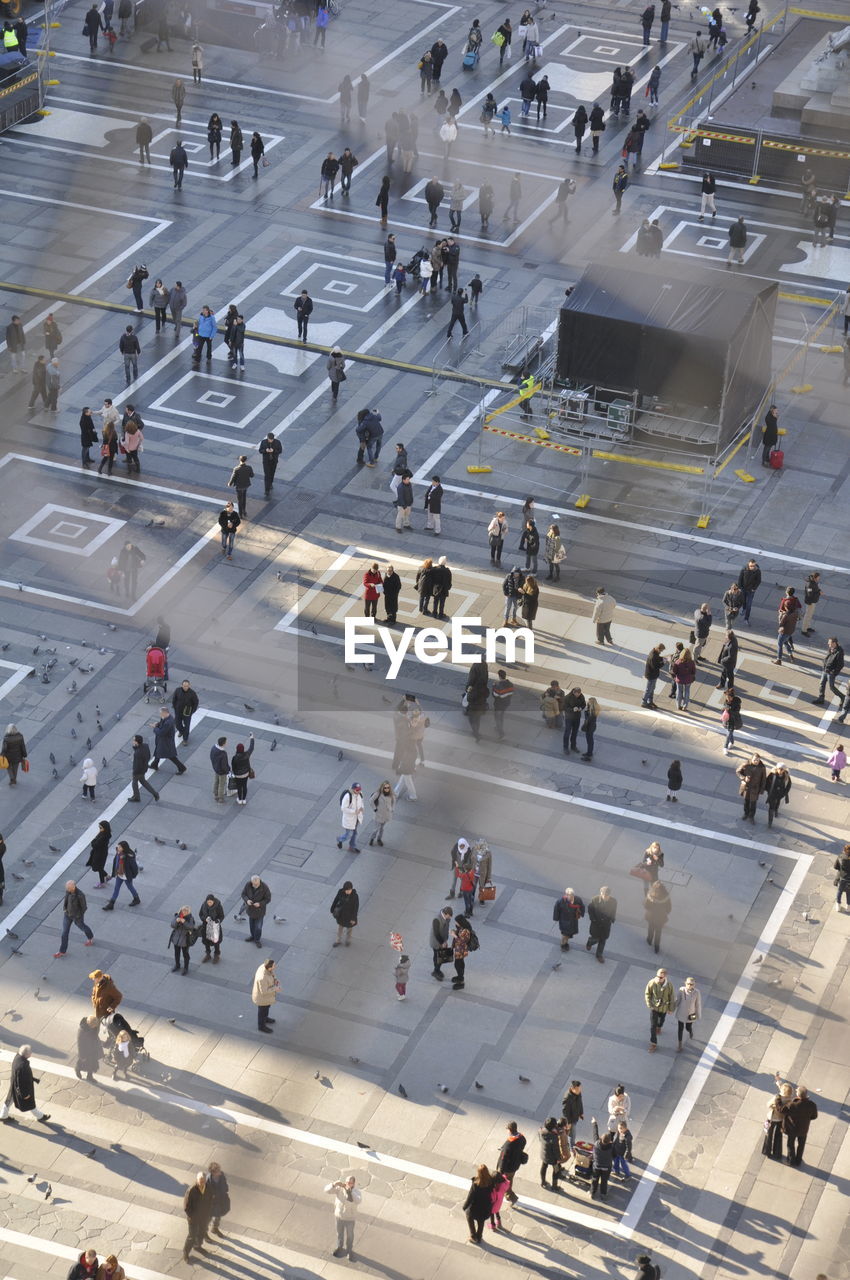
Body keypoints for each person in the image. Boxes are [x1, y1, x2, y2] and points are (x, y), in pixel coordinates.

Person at [0, 1044, 50, 1123]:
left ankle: (3, 1115)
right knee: (30, 1103)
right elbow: (21, 1082)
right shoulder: (23, 1066)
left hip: (14, 1084)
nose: (31, 1053)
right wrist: (25, 1094)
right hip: (23, 1089)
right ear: (27, 1055)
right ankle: (40, 1116)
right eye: (30, 1052)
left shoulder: (17, 1057)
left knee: (10, 1100)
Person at [54, 880, 94, 957]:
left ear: (73, 887)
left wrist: (78, 916)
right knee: (64, 932)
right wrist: (65, 909)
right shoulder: (68, 891)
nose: (66, 889)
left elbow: (84, 907)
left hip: (77, 916)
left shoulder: (80, 895)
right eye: (66, 888)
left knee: (83, 927)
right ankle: (62, 951)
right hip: (67, 914)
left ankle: (90, 937)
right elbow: (66, 900)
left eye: (68, 888)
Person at [325, 1174, 361, 1260]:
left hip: (350, 1218)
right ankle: (339, 1247)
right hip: (339, 1216)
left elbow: (358, 1200)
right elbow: (326, 1190)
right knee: (339, 1234)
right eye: (347, 1182)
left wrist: (350, 1191)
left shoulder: (356, 1192)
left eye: (350, 1183)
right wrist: (333, 1184)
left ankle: (349, 1251)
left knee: (350, 1236)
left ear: (353, 1184)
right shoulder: (339, 1189)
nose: (348, 1184)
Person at [182, 1172, 213, 1262]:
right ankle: (186, 1252)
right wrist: (193, 1217)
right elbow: (186, 1207)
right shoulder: (191, 1190)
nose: (202, 1183)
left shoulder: (208, 1187)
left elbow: (210, 1200)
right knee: (192, 1236)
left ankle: (197, 1246)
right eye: (200, 1181)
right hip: (194, 1219)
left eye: (204, 1181)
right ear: (197, 1180)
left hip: (204, 1217)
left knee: (202, 1233)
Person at [102, 841, 140, 910]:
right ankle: (111, 904)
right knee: (116, 889)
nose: (118, 848)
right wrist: (115, 872)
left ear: (124, 848)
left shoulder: (129, 857)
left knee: (130, 887)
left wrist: (133, 876)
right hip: (119, 874)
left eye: (119, 847)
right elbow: (115, 863)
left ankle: (136, 899)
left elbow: (134, 867)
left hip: (126, 876)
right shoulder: (118, 853)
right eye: (118, 846)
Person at [786, 1085, 818, 1166]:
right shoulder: (812, 1105)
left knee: (790, 1144)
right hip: (803, 1129)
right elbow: (814, 1116)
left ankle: (791, 1160)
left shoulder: (793, 1104)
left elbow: (784, 1110)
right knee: (801, 1145)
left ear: (798, 1095)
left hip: (792, 1128)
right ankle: (798, 1160)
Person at [645, 966, 675, 1052]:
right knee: (652, 1026)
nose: (658, 978)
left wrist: (670, 1009)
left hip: (664, 1008)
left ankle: (660, 1026)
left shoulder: (669, 985)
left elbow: (672, 997)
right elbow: (647, 994)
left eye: (661, 977)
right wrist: (649, 1004)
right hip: (654, 1008)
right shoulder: (652, 983)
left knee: (661, 1021)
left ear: (665, 977)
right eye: (657, 976)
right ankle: (653, 1043)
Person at [496, 1121, 526, 1203]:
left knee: (505, 1181)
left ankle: (511, 1196)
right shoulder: (521, 1137)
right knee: (510, 1179)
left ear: (510, 1130)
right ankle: (508, 1194)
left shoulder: (509, 1143)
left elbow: (503, 1159)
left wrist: (501, 1171)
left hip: (508, 1167)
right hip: (515, 1164)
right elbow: (523, 1145)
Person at [150, 707, 187, 775]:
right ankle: (154, 765)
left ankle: (182, 768)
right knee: (158, 751)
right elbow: (162, 724)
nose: (160, 715)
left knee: (170, 756)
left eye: (161, 713)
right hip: (164, 740)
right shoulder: (168, 717)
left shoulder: (168, 722)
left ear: (164, 713)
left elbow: (161, 732)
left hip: (166, 741)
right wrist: (158, 724)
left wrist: (155, 728)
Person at [463, 1166, 493, 1243]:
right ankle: (479, 1237)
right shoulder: (490, 1182)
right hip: (486, 1207)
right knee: (481, 1221)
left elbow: (470, 1196)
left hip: (475, 1208)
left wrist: (465, 1206)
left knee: (469, 1216)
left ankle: (473, 1236)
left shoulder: (476, 1184)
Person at [763, 1082, 793, 1158]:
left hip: (772, 1118)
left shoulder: (777, 1098)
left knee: (769, 1134)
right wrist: (780, 1085)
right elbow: (784, 1095)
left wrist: (773, 1106)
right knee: (778, 1136)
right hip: (781, 1119)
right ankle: (777, 1153)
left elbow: (768, 1104)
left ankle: (767, 1151)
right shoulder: (790, 1099)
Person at [586, 887, 616, 962]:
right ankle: (590, 942)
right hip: (596, 923)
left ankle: (599, 955)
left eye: (607, 895)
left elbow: (614, 911)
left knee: (603, 939)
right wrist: (593, 919)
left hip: (606, 924)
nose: (606, 897)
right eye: (604, 895)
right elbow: (590, 909)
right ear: (601, 893)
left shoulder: (614, 901)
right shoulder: (595, 899)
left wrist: (612, 918)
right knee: (595, 938)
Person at [241, 874, 271, 946]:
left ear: (259, 881)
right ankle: (253, 936)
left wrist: (260, 904)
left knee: (258, 927)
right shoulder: (248, 885)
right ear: (251, 882)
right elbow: (243, 894)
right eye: (254, 884)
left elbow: (268, 899)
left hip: (260, 911)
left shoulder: (264, 887)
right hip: (250, 910)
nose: (255, 885)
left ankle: (257, 939)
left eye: (257, 884)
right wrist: (247, 900)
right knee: (252, 926)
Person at [814, 636, 844, 705]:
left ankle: (843, 697)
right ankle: (821, 698)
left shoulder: (839, 652)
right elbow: (827, 657)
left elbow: (841, 665)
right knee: (821, 684)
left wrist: (833, 672)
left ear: (834, 643)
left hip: (830, 673)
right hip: (825, 670)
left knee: (832, 687)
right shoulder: (831, 648)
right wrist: (824, 663)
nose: (828, 644)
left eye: (829, 643)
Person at [674, 975, 702, 1050]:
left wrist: (698, 1015)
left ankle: (690, 1031)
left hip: (691, 1014)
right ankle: (680, 1044)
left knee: (688, 1027)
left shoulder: (697, 992)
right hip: (681, 1013)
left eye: (691, 984)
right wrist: (671, 1008)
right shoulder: (681, 990)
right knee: (680, 1028)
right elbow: (677, 1000)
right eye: (688, 984)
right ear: (685, 983)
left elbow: (698, 1004)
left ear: (694, 985)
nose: (689, 985)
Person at [252, 956, 279, 1032]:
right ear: (269, 967)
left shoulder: (264, 966)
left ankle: (265, 1018)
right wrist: (275, 988)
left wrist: (275, 979)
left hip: (266, 998)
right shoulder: (262, 978)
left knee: (266, 1008)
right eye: (274, 966)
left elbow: (272, 973)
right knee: (262, 1011)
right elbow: (264, 991)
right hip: (262, 998)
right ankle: (261, 1026)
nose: (275, 967)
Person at [644, 881, 671, 954]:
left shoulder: (650, 895)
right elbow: (669, 908)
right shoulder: (666, 896)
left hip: (651, 916)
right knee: (658, 932)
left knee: (650, 929)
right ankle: (657, 947)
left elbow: (646, 906)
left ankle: (649, 940)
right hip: (661, 917)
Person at [737, 752, 766, 820]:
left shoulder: (762, 767)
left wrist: (762, 790)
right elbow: (738, 771)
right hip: (746, 787)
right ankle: (746, 814)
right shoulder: (746, 764)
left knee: (753, 803)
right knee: (746, 802)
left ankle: (751, 816)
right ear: (751, 759)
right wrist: (744, 778)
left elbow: (763, 779)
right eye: (755, 760)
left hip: (755, 788)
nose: (756, 761)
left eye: (757, 760)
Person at [169, 905, 196, 974]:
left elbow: (191, 927)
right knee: (176, 953)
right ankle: (177, 965)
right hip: (176, 939)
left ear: (188, 912)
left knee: (185, 954)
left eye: (186, 911)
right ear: (181, 910)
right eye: (183, 910)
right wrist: (177, 921)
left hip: (185, 940)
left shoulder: (190, 918)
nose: (184, 912)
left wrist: (184, 922)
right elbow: (172, 925)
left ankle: (186, 968)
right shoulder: (178, 916)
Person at [331, 881, 359, 947]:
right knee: (340, 928)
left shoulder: (355, 896)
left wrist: (353, 918)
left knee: (349, 929)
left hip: (350, 916)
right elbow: (336, 900)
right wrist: (332, 909)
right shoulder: (340, 892)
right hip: (341, 914)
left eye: (349, 890)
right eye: (346, 890)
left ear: (351, 889)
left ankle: (348, 940)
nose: (347, 892)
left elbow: (356, 908)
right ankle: (338, 941)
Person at [338, 783, 364, 852]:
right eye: (357, 790)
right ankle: (340, 839)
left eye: (359, 789)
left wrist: (362, 808)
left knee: (354, 833)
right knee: (349, 834)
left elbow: (361, 802)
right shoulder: (348, 796)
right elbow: (343, 808)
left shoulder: (360, 794)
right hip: (349, 819)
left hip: (357, 818)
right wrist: (354, 811)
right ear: (353, 789)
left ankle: (352, 846)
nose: (359, 791)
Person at [199, 893, 224, 963]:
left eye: (210, 902)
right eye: (208, 902)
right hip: (206, 926)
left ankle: (216, 955)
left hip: (215, 927)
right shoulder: (204, 905)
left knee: (216, 942)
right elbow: (200, 914)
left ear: (213, 901)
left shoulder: (218, 906)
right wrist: (205, 919)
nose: (209, 903)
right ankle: (208, 954)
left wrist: (217, 921)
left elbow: (222, 916)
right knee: (206, 941)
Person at [207, 1162, 230, 1237]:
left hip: (220, 1200)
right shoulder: (208, 1180)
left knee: (218, 1216)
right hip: (212, 1203)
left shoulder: (221, 1176)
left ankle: (214, 1228)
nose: (220, 1172)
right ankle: (204, 1233)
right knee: (208, 1218)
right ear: (213, 1173)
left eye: (220, 1170)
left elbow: (225, 1187)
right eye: (218, 1171)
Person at [430, 905, 453, 979]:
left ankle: (437, 970)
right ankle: (436, 971)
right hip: (436, 942)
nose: (450, 918)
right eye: (449, 916)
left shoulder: (447, 918)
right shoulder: (436, 919)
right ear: (445, 914)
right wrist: (442, 942)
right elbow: (436, 933)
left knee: (441, 956)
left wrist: (445, 940)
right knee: (437, 956)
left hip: (443, 940)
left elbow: (446, 928)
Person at [86, 819, 112, 886]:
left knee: (98, 868)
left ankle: (102, 882)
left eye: (100, 827)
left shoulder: (103, 837)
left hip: (100, 854)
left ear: (104, 828)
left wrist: (93, 840)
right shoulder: (104, 834)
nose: (99, 829)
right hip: (100, 853)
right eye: (99, 827)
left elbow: (94, 845)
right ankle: (107, 876)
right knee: (99, 867)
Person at [230, 736, 255, 805]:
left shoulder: (235, 758)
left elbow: (233, 766)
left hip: (238, 775)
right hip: (245, 774)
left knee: (239, 787)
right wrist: (252, 738)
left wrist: (235, 773)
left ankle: (239, 799)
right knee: (244, 786)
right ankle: (244, 799)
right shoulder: (247, 754)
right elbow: (251, 748)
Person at [75, 1015, 100, 1081]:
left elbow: (95, 1034)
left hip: (92, 1049)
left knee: (92, 1064)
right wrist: (82, 1055)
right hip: (85, 1051)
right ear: (89, 1024)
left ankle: (89, 1076)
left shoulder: (94, 1025)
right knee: (82, 1063)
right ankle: (78, 1069)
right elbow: (80, 1044)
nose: (95, 1027)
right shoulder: (82, 1030)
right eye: (93, 1026)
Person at [451, 912, 472, 989]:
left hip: (461, 951)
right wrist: (455, 931)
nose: (455, 923)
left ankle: (461, 982)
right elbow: (459, 932)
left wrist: (454, 935)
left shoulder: (466, 931)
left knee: (458, 965)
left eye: (456, 922)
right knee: (460, 964)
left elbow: (462, 941)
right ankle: (459, 977)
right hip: (459, 950)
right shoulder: (462, 927)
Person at [738, 558, 762, 624]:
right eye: (751, 566)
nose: (752, 567)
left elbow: (758, 581)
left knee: (749, 604)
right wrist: (739, 587)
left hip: (751, 590)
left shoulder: (757, 571)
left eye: (753, 566)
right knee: (743, 601)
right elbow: (740, 578)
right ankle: (744, 609)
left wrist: (754, 588)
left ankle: (746, 618)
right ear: (748, 564)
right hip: (743, 588)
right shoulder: (744, 569)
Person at [672, 645, 696, 711]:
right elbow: (693, 671)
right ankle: (685, 706)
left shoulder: (678, 662)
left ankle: (678, 705)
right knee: (687, 692)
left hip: (679, 679)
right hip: (688, 680)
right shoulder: (691, 662)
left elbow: (674, 671)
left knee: (679, 692)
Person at [492, 669, 513, 739]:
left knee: (498, 717)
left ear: (499, 676)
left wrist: (494, 686)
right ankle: (498, 727)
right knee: (501, 716)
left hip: (499, 704)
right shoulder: (510, 684)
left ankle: (501, 733)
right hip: (506, 703)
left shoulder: (498, 685)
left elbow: (495, 695)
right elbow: (510, 693)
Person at [801, 571, 824, 636]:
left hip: (812, 601)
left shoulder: (813, 582)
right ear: (815, 577)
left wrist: (819, 590)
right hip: (810, 602)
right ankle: (804, 630)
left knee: (810, 615)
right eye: (818, 577)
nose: (819, 578)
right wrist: (819, 593)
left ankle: (807, 627)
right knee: (807, 616)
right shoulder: (810, 584)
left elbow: (816, 589)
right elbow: (809, 595)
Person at [643, 644, 666, 708]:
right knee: (649, 689)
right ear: (658, 649)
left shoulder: (654, 652)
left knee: (652, 689)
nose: (661, 652)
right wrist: (663, 663)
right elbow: (655, 667)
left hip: (652, 674)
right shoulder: (653, 656)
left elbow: (657, 658)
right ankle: (644, 702)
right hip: (651, 675)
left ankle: (650, 701)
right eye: (661, 650)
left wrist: (662, 658)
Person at [721, 686, 742, 754]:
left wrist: (729, 710)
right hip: (727, 719)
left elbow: (736, 712)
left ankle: (725, 747)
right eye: (727, 697)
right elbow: (724, 707)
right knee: (730, 732)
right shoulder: (726, 701)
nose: (727, 699)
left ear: (732, 697)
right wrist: (724, 709)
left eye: (729, 697)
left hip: (734, 719)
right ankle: (732, 742)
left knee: (729, 732)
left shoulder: (737, 703)